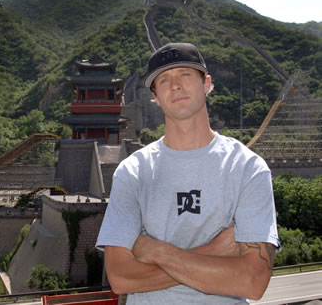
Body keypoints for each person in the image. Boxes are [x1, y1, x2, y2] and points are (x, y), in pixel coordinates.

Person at [96, 43, 279, 304]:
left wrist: (157, 251)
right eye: (164, 79)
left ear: (207, 84)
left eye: (185, 74)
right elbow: (121, 278)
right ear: (155, 96)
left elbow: (253, 281)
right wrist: (213, 252)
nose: (175, 85)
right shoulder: (133, 172)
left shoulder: (247, 168)